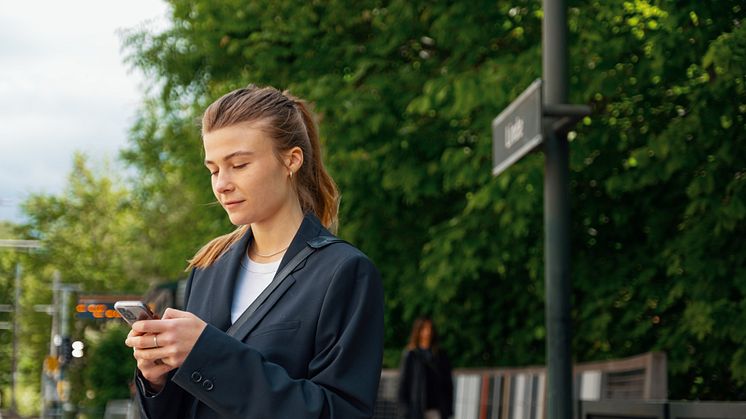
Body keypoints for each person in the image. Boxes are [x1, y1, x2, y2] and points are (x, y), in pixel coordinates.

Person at [124, 85, 384, 418]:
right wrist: (155, 381)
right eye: (214, 170)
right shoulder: (208, 269)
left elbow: (341, 413)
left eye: (239, 165)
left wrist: (205, 353)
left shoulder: (344, 272)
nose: (222, 184)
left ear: (290, 161)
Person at [397, 317, 453, 419]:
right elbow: (403, 385)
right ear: (418, 331)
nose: (427, 332)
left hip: (437, 410)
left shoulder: (441, 355)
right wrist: (405, 411)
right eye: (424, 329)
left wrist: (448, 409)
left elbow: (448, 384)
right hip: (417, 410)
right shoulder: (410, 355)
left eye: (430, 329)